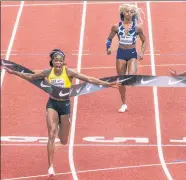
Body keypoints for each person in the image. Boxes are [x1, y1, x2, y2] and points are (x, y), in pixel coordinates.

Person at [3, 49, 121, 177]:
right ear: (52, 62)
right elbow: (30, 77)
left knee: (64, 140)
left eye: (60, 60)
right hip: (52, 104)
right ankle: (51, 167)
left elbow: (89, 79)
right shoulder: (48, 72)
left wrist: (108, 84)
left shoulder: (69, 72)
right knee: (51, 134)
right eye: (56, 60)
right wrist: (14, 72)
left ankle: (61, 125)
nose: (58, 62)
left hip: (65, 106)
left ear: (63, 62)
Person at [106, 3, 146, 113]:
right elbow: (109, 39)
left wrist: (142, 53)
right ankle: (124, 103)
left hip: (132, 53)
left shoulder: (137, 28)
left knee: (131, 78)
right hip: (121, 54)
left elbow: (144, 41)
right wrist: (108, 48)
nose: (129, 13)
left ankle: (131, 76)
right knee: (121, 80)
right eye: (127, 11)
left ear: (134, 14)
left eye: (132, 12)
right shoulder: (116, 27)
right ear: (123, 12)